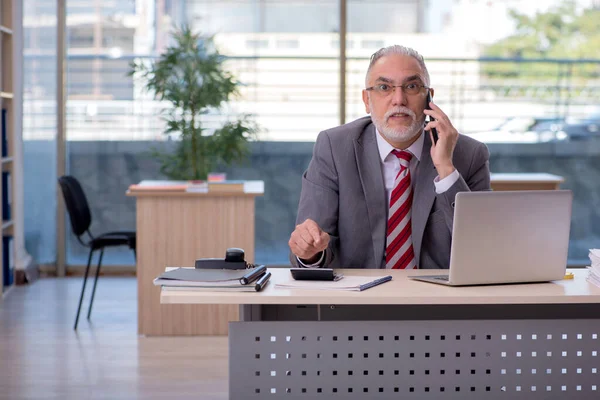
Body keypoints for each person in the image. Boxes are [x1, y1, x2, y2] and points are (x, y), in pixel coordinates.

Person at [288, 45, 491, 269]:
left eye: (412, 86)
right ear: (367, 100)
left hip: (436, 299)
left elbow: (483, 250)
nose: (398, 99)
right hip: (357, 299)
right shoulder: (335, 148)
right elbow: (311, 250)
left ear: (429, 97)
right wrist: (309, 252)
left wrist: (445, 169)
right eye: (384, 87)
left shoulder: (469, 155)